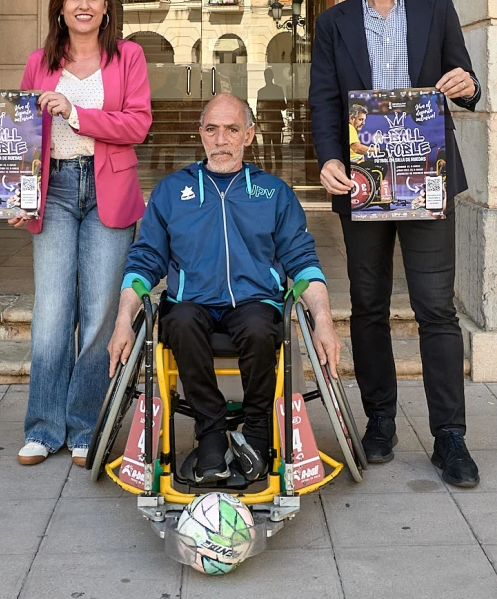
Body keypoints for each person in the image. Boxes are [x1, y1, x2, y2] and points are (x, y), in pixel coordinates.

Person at [309, 0, 483, 488]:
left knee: (436, 308)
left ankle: (449, 436)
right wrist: (330, 159)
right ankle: (379, 421)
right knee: (369, 305)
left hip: (426, 177)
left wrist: (469, 84)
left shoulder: (438, 10)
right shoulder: (334, 23)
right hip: (364, 181)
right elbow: (325, 100)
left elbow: (465, 83)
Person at [108, 93, 341, 484]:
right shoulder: (170, 191)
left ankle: (256, 430)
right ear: (200, 134)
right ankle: (211, 432)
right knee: (178, 321)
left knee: (258, 326)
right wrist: (121, 321)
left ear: (249, 135)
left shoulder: (273, 192)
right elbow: (144, 260)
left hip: (253, 302)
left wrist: (323, 320)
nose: (221, 139)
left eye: (232, 129)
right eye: (212, 129)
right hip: (191, 303)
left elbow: (303, 262)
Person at [11, 0, 152, 466]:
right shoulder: (38, 62)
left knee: (98, 315)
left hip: (107, 190)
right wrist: (18, 195)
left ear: (107, 6)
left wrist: (75, 112)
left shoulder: (129, 56)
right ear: (60, 6)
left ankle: (84, 427)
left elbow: (138, 125)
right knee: (51, 311)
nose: (84, 5)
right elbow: (24, 134)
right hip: (55, 190)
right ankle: (43, 427)